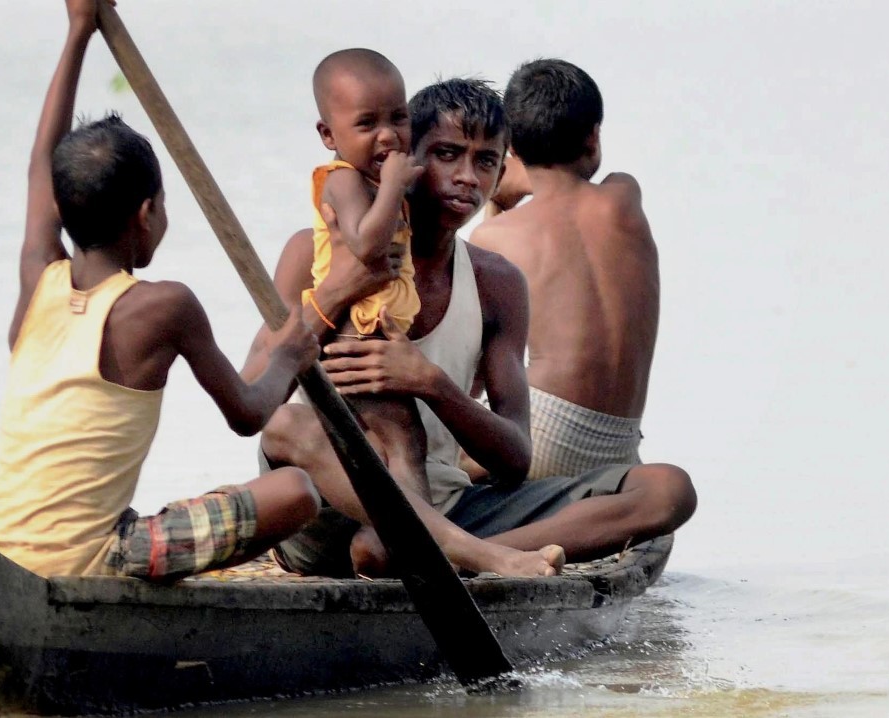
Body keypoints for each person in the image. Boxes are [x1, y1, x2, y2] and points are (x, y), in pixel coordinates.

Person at [249, 78, 696, 579]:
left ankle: (441, 551)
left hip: (444, 502)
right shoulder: (317, 252)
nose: (467, 177)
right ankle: (470, 556)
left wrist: (431, 383)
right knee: (288, 424)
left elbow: (515, 460)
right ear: (404, 157)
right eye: (446, 154)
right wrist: (335, 292)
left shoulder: (496, 282)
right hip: (331, 505)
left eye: (485, 162)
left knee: (667, 490)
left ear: (504, 170)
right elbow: (255, 397)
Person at [0, 0, 320, 582]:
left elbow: (41, 165)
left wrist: (78, 31)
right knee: (296, 492)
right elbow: (247, 414)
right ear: (148, 212)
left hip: (0, 552)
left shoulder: (39, 279)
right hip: (95, 559)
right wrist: (289, 353)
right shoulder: (165, 306)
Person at [472, 58, 658, 479]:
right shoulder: (625, 196)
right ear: (593, 136)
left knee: (440, 451)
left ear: (512, 149)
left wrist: (498, 200)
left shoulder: (496, 237)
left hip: (545, 430)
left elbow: (483, 356)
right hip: (620, 442)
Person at [300, 48, 429, 518]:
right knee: (401, 439)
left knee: (400, 441)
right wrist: (395, 185)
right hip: (355, 339)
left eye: (399, 118)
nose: (389, 136)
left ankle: (403, 540)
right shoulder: (342, 182)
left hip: (371, 336)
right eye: (368, 123)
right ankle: (423, 544)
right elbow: (365, 245)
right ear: (328, 134)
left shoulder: (370, 184)